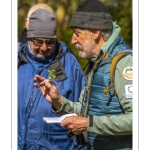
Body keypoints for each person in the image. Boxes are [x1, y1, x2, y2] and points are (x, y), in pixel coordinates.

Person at [34, 0, 133, 150]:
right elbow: (84, 110)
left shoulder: (124, 63)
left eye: (77, 33)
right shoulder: (95, 62)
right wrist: (58, 101)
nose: (73, 40)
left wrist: (88, 124)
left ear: (95, 32)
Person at [18, 4, 87, 150]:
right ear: (29, 35)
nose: (44, 47)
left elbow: (84, 113)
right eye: (38, 41)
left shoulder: (70, 64)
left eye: (49, 42)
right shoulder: (16, 61)